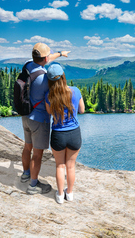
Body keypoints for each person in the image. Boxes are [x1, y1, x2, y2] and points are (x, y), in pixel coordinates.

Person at [21, 43, 70, 195]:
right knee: (37, 154)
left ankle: (26, 174)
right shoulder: (45, 78)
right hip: (39, 119)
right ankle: (33, 186)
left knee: (27, 147)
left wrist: (61, 53)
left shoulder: (28, 66)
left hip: (26, 115)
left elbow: (46, 59)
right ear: (45, 58)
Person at [44, 64, 85, 204]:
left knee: (60, 166)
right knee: (71, 166)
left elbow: (49, 113)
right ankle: (70, 193)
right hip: (74, 133)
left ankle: (60, 195)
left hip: (58, 135)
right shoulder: (75, 91)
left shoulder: (49, 96)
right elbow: (82, 110)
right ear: (63, 76)